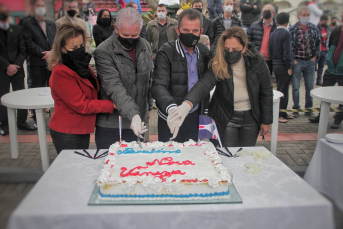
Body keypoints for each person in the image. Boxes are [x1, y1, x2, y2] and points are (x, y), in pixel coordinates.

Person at [170, 27, 273, 147]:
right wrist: (186, 105)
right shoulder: (219, 61)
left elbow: (266, 91)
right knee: (226, 155)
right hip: (226, 116)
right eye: (226, 49)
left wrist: (266, 121)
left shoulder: (257, 60)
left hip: (251, 117)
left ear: (244, 48)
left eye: (235, 49)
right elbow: (205, 83)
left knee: (246, 155)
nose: (230, 53)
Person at [48, 24, 114, 154]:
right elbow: (82, 104)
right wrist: (110, 104)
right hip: (68, 132)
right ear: (61, 48)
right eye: (74, 48)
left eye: (81, 46)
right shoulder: (61, 72)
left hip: (80, 129)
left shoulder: (80, 64)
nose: (79, 50)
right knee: (72, 170)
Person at [94, 7, 153, 149]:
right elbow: (114, 87)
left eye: (135, 35)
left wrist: (148, 106)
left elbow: (149, 78)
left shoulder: (145, 45)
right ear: (116, 28)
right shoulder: (103, 51)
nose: (131, 40)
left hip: (138, 122)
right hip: (113, 125)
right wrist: (134, 115)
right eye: (126, 35)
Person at [151, 9, 211, 142]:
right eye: (186, 30)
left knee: (195, 158)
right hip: (170, 116)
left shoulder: (204, 51)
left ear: (201, 32)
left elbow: (208, 81)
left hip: (196, 115)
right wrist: (173, 110)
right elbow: (158, 85)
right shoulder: (166, 51)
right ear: (177, 30)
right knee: (169, 158)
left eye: (195, 31)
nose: (191, 34)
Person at [0, 4, 36, 136]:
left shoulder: (17, 29)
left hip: (17, 70)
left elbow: (23, 50)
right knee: (3, 98)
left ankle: (22, 122)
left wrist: (15, 65)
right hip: (2, 71)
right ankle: (4, 125)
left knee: (21, 96)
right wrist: (7, 66)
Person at [21, 0, 56, 123]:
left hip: (52, 63)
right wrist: (44, 54)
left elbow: (56, 40)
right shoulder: (27, 24)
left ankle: (55, 116)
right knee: (37, 90)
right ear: (32, 7)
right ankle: (37, 118)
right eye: (38, 6)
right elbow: (29, 43)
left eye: (42, 6)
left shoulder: (51, 24)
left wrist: (52, 52)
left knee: (54, 89)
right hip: (37, 63)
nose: (41, 8)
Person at [309, 15, 343, 129]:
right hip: (331, 69)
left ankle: (338, 119)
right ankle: (321, 116)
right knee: (325, 94)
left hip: (342, 72)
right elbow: (329, 46)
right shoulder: (336, 31)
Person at [289, 6, 320, 118]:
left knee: (310, 87)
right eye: (303, 15)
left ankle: (308, 109)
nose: (306, 17)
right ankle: (296, 108)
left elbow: (318, 43)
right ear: (298, 16)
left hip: (310, 61)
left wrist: (315, 57)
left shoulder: (314, 28)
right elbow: (289, 46)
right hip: (298, 62)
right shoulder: (293, 29)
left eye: (307, 15)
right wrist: (293, 60)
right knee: (296, 87)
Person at [269, 12, 294, 123]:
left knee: (280, 88)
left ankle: (282, 113)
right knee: (283, 90)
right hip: (283, 65)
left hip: (275, 64)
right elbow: (287, 52)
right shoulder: (286, 34)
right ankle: (280, 114)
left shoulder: (273, 33)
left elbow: (270, 49)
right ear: (287, 21)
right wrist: (289, 66)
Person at [247, 4, 277, 75]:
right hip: (256, 59)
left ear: (273, 13)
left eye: (268, 11)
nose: (266, 13)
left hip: (270, 61)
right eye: (264, 11)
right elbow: (248, 41)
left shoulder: (276, 28)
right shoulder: (254, 26)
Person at [316, 14, 329, 85]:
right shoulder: (316, 28)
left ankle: (319, 80)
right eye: (324, 21)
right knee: (314, 66)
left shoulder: (327, 28)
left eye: (326, 21)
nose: (325, 23)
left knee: (321, 66)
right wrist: (321, 36)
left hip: (324, 49)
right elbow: (314, 38)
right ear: (320, 21)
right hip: (318, 50)